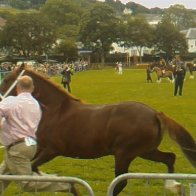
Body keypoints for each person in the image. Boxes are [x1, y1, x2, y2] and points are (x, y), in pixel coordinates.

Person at [0, 76, 74, 194]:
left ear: (17, 87)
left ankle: (65, 184)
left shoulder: (10, 101)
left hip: (17, 148)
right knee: (2, 177)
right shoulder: (36, 105)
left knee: (27, 183)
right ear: (32, 88)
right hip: (30, 145)